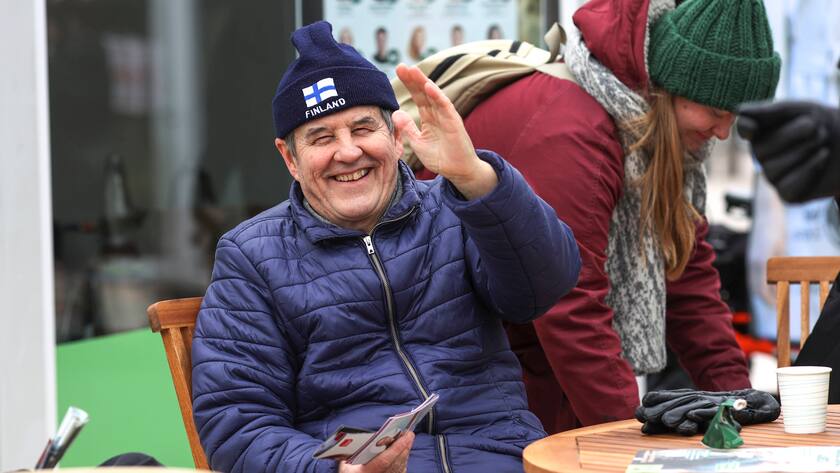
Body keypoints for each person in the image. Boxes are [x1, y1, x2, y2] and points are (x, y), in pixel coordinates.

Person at [191, 20, 580, 473]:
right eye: (321, 138)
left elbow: (546, 286)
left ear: (396, 137)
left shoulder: (455, 206)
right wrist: (333, 469)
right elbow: (236, 423)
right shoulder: (251, 256)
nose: (349, 152)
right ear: (289, 158)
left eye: (362, 129)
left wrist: (475, 177)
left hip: (499, 457)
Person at [457, 0, 781, 434]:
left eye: (734, 116)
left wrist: (740, 405)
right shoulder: (576, 133)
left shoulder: (658, 135)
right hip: (478, 353)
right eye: (716, 111)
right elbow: (570, 303)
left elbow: (688, 275)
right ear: (668, 90)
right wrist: (627, 442)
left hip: (533, 352)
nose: (724, 132)